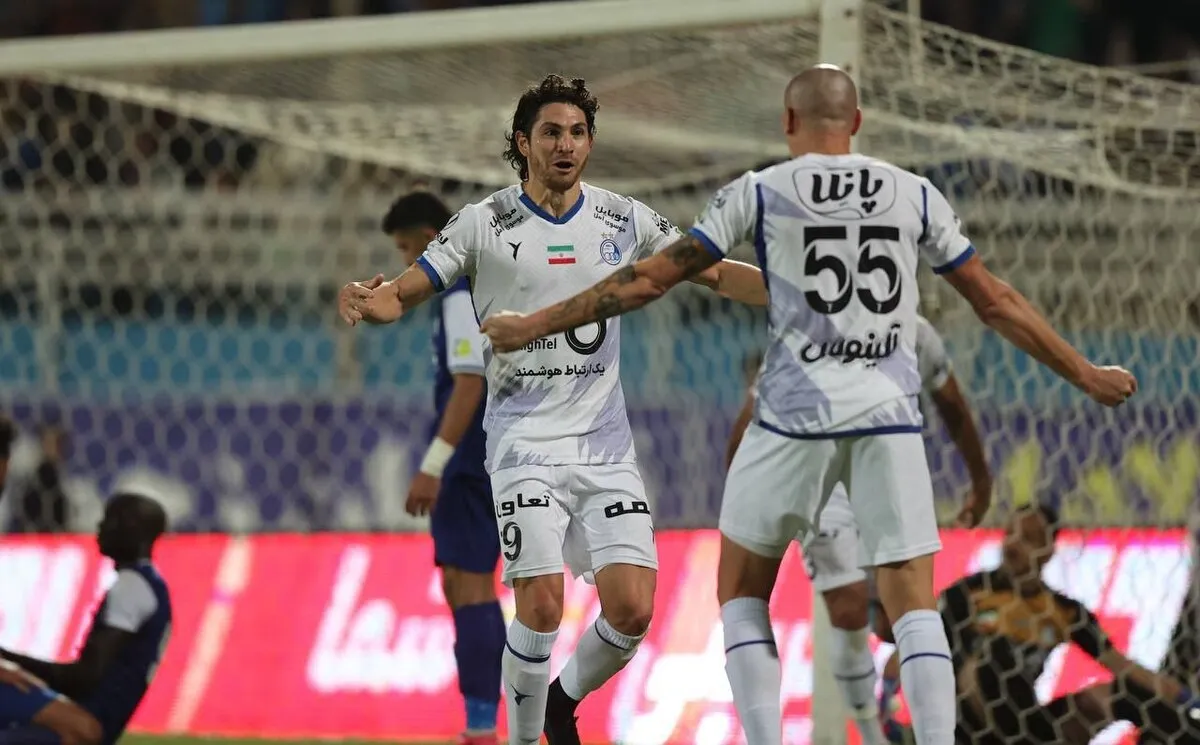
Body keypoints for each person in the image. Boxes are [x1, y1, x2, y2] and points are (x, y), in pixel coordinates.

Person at [477, 64, 1137, 745]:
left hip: (793, 418)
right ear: (857, 123)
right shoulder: (914, 192)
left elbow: (649, 279)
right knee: (914, 604)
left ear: (788, 122)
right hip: (887, 420)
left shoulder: (761, 190)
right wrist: (1085, 372)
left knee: (742, 591)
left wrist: (535, 323)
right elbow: (995, 300)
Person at [337, 74, 765, 745]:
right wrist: (370, 299)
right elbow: (403, 293)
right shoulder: (482, 223)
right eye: (551, 132)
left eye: (577, 133)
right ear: (522, 142)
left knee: (633, 610)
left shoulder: (623, 218)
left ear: (589, 142)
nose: (566, 145)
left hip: (604, 444)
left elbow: (711, 270)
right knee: (539, 605)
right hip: (523, 442)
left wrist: (795, 292)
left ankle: (562, 701)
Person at [725, 315, 992, 745]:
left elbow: (954, 409)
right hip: (823, 484)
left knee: (897, 620)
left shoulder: (914, 331)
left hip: (887, 475)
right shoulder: (803, 328)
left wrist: (981, 480)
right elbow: (750, 418)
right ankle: (871, 735)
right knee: (848, 607)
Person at [876, 503, 1200, 744]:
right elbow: (914, 645)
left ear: (1048, 551)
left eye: (1028, 538)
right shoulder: (970, 594)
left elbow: (1124, 666)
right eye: (1011, 533)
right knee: (990, 660)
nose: (1014, 544)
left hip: (1028, 724)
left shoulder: (1062, 611)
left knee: (1119, 694)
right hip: (965, 729)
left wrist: (1186, 699)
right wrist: (886, 703)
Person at [380, 190, 504, 745]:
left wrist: (434, 464)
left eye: (409, 249)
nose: (409, 263)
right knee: (466, 584)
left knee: (471, 585)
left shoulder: (457, 293)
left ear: (432, 241)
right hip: (482, 454)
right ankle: (482, 722)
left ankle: (482, 727)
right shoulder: (471, 289)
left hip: (467, 457)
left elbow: (469, 382)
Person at [0, 492, 171, 745]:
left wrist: (8, 659)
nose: (99, 526)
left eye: (109, 519)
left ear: (131, 527)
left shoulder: (131, 586)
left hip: (84, 721)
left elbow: (82, 678)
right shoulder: (153, 586)